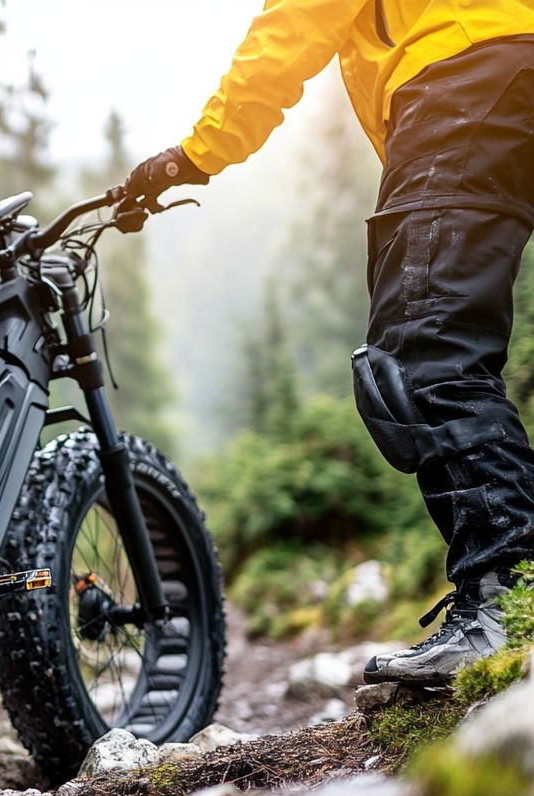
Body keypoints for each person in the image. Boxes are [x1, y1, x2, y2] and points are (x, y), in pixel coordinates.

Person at [124, 1, 534, 685]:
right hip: (502, 73)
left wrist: (196, 154)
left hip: (464, 84)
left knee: (423, 359)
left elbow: (297, 21)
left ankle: (507, 601)